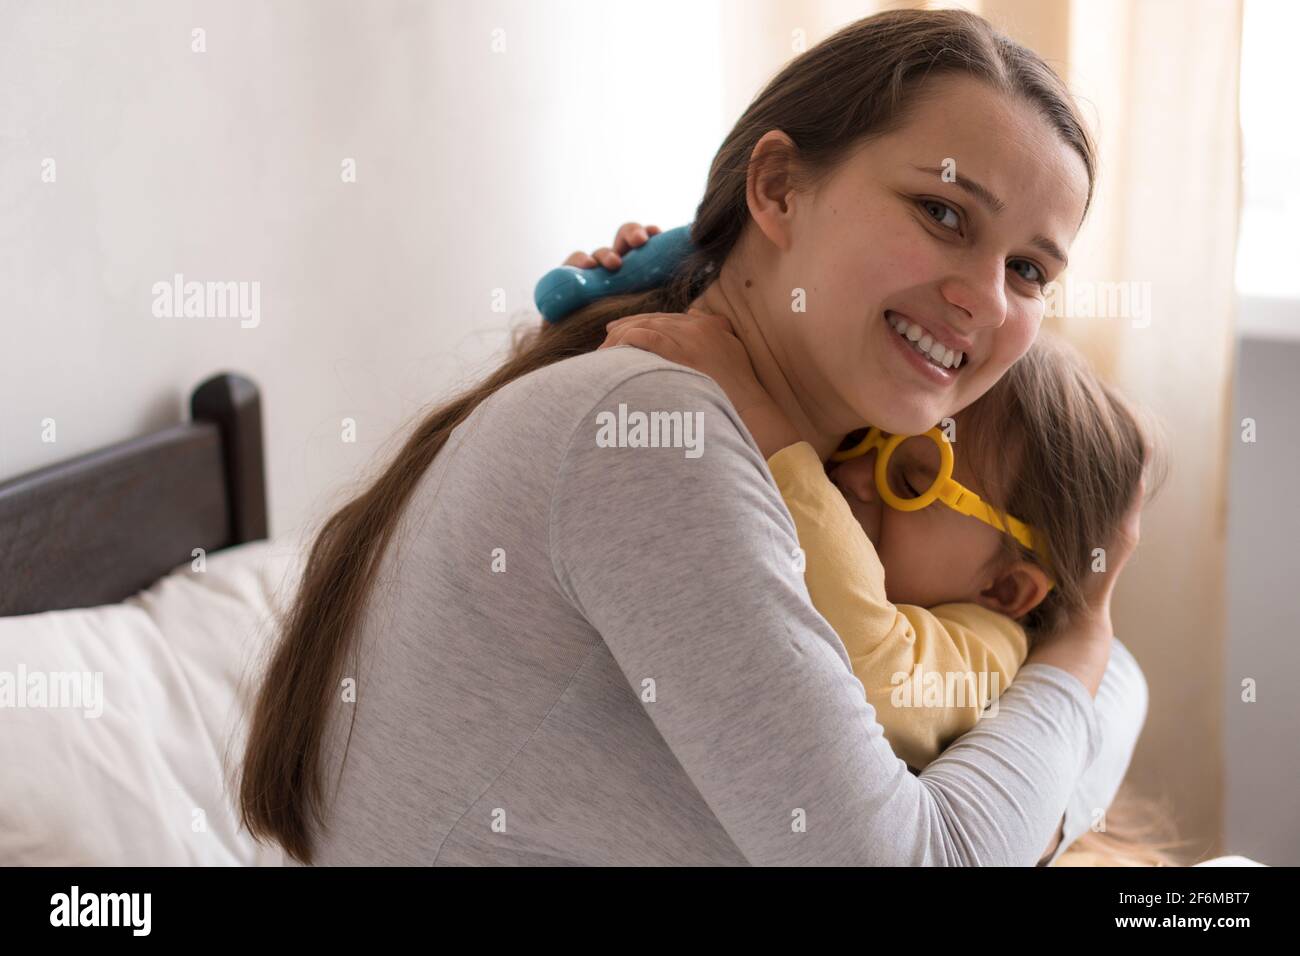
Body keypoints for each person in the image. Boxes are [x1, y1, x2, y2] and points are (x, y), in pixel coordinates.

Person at [240, 7, 1148, 866]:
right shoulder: (651, 441)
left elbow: (1112, 690)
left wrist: (1085, 673)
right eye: (942, 213)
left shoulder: (765, 454)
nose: (985, 299)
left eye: (1028, 270)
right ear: (779, 189)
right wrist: (1079, 645)